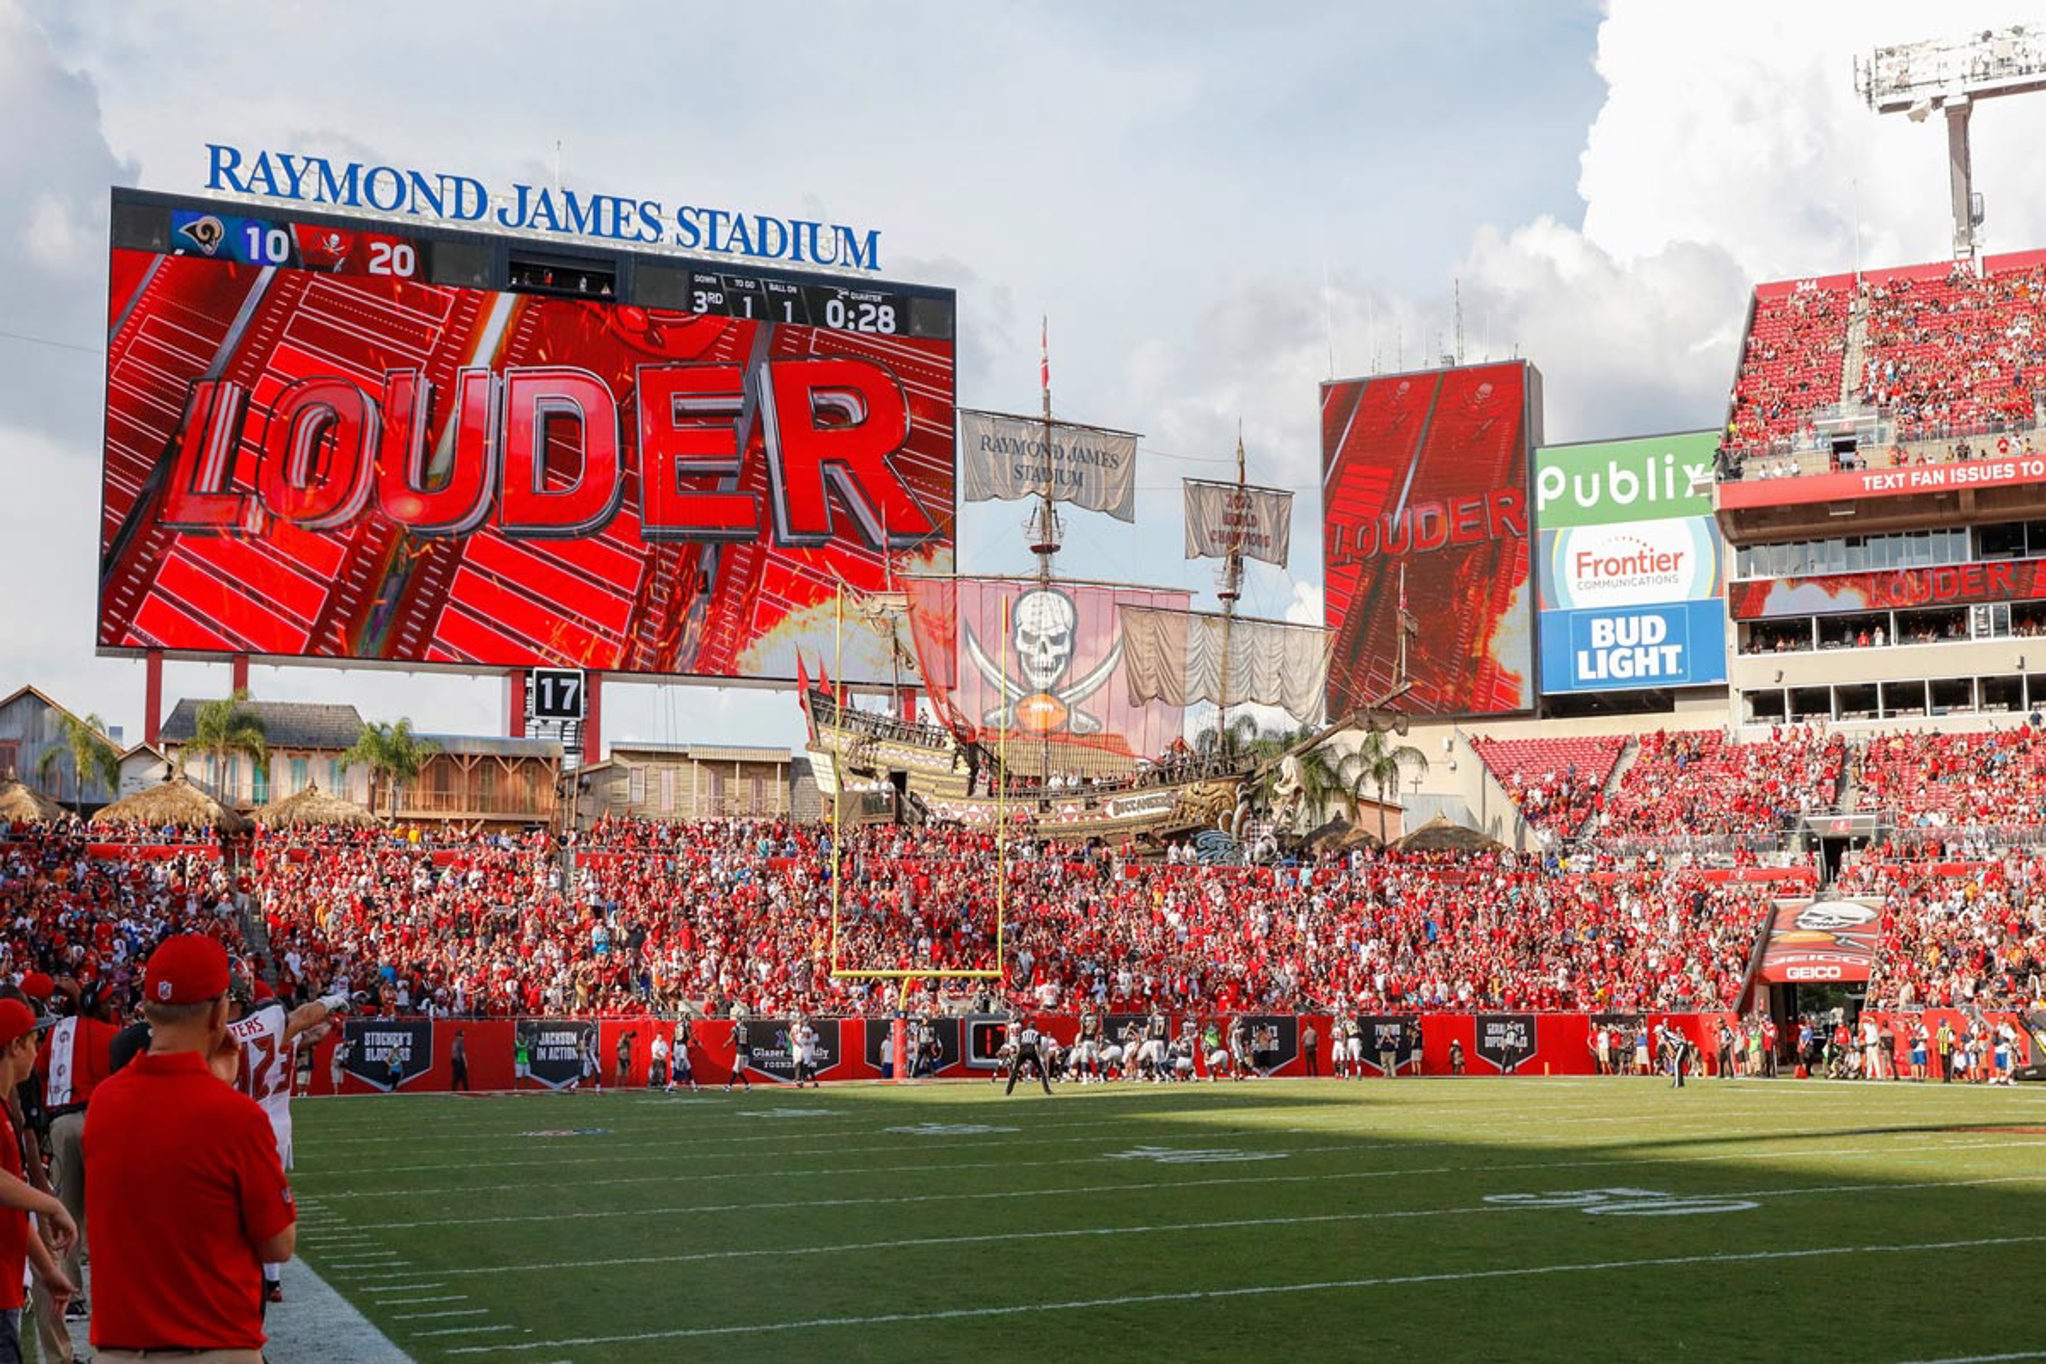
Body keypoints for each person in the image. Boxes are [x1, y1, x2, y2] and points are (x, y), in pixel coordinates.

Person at [85, 933, 296, 1364]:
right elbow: (278, 1245)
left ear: (146, 1010)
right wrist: (220, 1090)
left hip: (120, 1351)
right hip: (212, 1345)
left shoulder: (103, 1103)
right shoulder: (237, 1117)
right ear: (221, 1013)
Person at [227, 977, 344, 1305]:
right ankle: (273, 1280)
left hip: (239, 1124)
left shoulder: (222, 1033)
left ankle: (242, 1270)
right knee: (270, 1202)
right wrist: (332, 1004)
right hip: (277, 1125)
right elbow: (305, 1024)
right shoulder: (276, 1026)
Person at [0, 998, 79, 1364]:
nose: (38, 1050)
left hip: (8, 1283)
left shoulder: (6, 1106)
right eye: (33, 1041)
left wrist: (47, 1271)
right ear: (14, 1045)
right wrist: (50, 1203)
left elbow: (11, 1201)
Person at [1003, 1013, 1053, 1097]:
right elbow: (1037, 1046)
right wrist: (1037, 1057)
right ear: (1034, 1027)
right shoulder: (1037, 1033)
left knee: (1015, 1070)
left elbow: (1020, 1044)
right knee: (1042, 1071)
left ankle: (1008, 1091)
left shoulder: (1023, 1033)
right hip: (1031, 1049)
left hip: (1022, 1049)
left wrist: (1020, 1056)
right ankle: (1047, 1090)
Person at [725, 1011, 754, 1093]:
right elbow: (748, 1041)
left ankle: (729, 1086)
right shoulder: (745, 1028)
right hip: (744, 1051)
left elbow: (732, 1038)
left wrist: (726, 1044)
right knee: (738, 1070)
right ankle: (747, 1085)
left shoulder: (736, 1028)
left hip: (740, 1051)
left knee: (736, 1070)